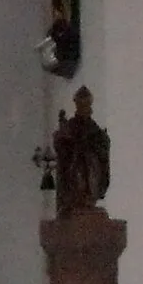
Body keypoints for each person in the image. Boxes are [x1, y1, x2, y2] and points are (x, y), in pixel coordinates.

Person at [51, 86, 111, 218]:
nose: (84, 108)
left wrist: (98, 143)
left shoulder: (94, 128)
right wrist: (64, 138)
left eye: (86, 104)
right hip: (75, 163)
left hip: (90, 163)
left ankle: (89, 198)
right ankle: (76, 199)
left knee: (91, 173)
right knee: (77, 175)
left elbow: (101, 143)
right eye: (81, 104)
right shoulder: (70, 125)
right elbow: (62, 144)